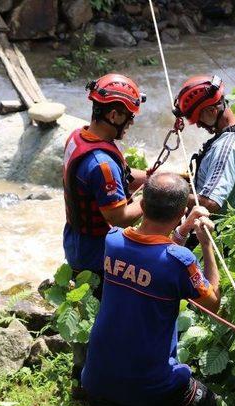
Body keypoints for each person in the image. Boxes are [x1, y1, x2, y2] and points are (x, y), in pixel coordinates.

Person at [82, 172, 221, 406]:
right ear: (181, 212)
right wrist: (206, 246)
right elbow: (213, 304)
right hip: (149, 385)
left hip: (99, 377)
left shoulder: (113, 240)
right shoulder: (180, 261)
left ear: (143, 206)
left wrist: (184, 229)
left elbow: (153, 253)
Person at [63, 73, 149, 294]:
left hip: (75, 241)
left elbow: (123, 176)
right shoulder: (102, 165)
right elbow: (118, 218)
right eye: (129, 117)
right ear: (113, 115)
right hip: (96, 256)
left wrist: (153, 177)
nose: (131, 122)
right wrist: (150, 197)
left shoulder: (78, 138)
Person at [173, 74, 235, 213]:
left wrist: (167, 195)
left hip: (215, 232)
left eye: (199, 119)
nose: (199, 126)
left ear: (211, 110)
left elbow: (210, 203)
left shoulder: (227, 147)